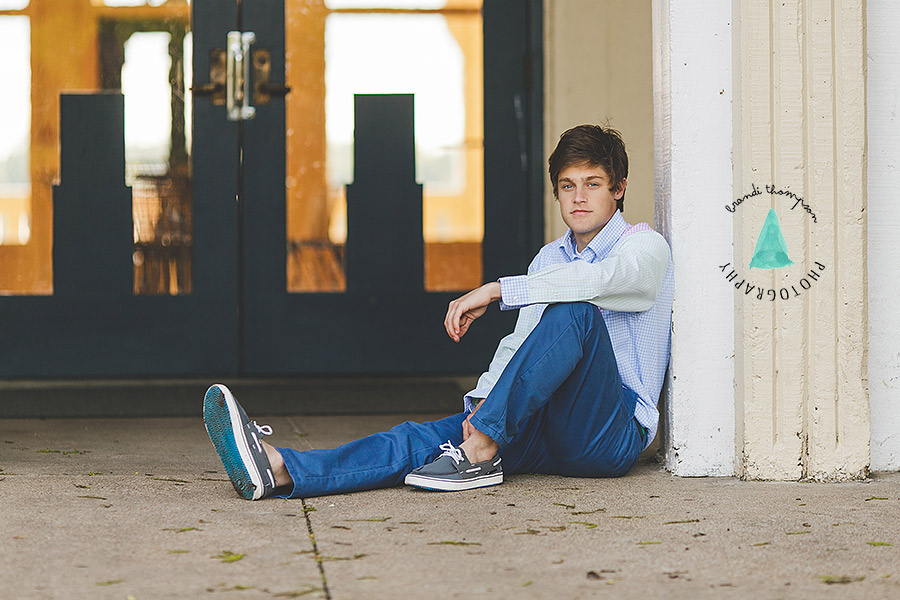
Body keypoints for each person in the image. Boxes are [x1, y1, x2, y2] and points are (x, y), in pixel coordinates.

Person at [203, 124, 674, 500]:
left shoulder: (644, 248)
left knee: (577, 315)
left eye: (593, 184)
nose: (578, 198)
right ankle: (284, 470)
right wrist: (484, 404)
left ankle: (483, 446)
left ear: (619, 189)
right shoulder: (550, 259)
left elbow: (599, 283)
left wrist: (494, 291)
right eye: (567, 186)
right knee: (418, 439)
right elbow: (524, 346)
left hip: (606, 436)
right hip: (539, 424)